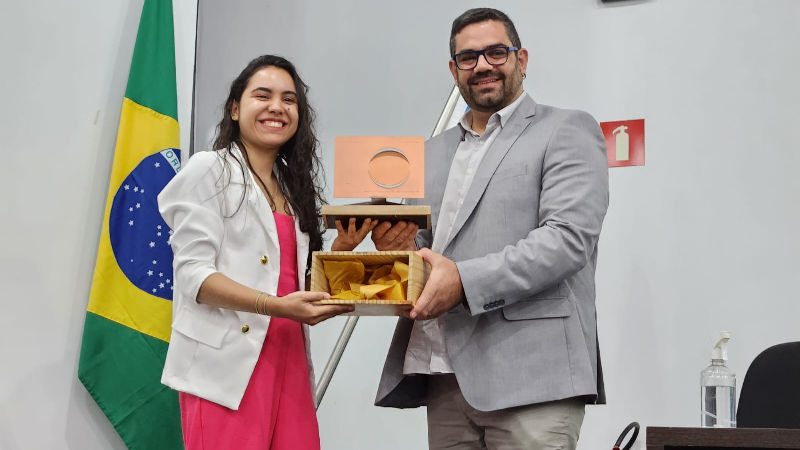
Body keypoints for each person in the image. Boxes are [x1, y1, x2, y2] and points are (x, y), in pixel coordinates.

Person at [371, 8, 610, 450]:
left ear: (521, 59)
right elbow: (426, 250)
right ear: (454, 69)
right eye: (468, 57)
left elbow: (566, 239)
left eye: (496, 53)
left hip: (533, 377)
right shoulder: (428, 153)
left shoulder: (567, 129)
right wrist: (400, 251)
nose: (482, 65)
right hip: (443, 375)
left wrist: (462, 281)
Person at [158, 55, 373, 450]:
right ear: (236, 109)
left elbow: (296, 287)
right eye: (263, 95)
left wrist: (342, 250)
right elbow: (194, 277)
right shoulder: (210, 169)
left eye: (289, 100)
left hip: (287, 359)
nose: (277, 107)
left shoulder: (292, 193)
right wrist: (275, 306)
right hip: (225, 370)